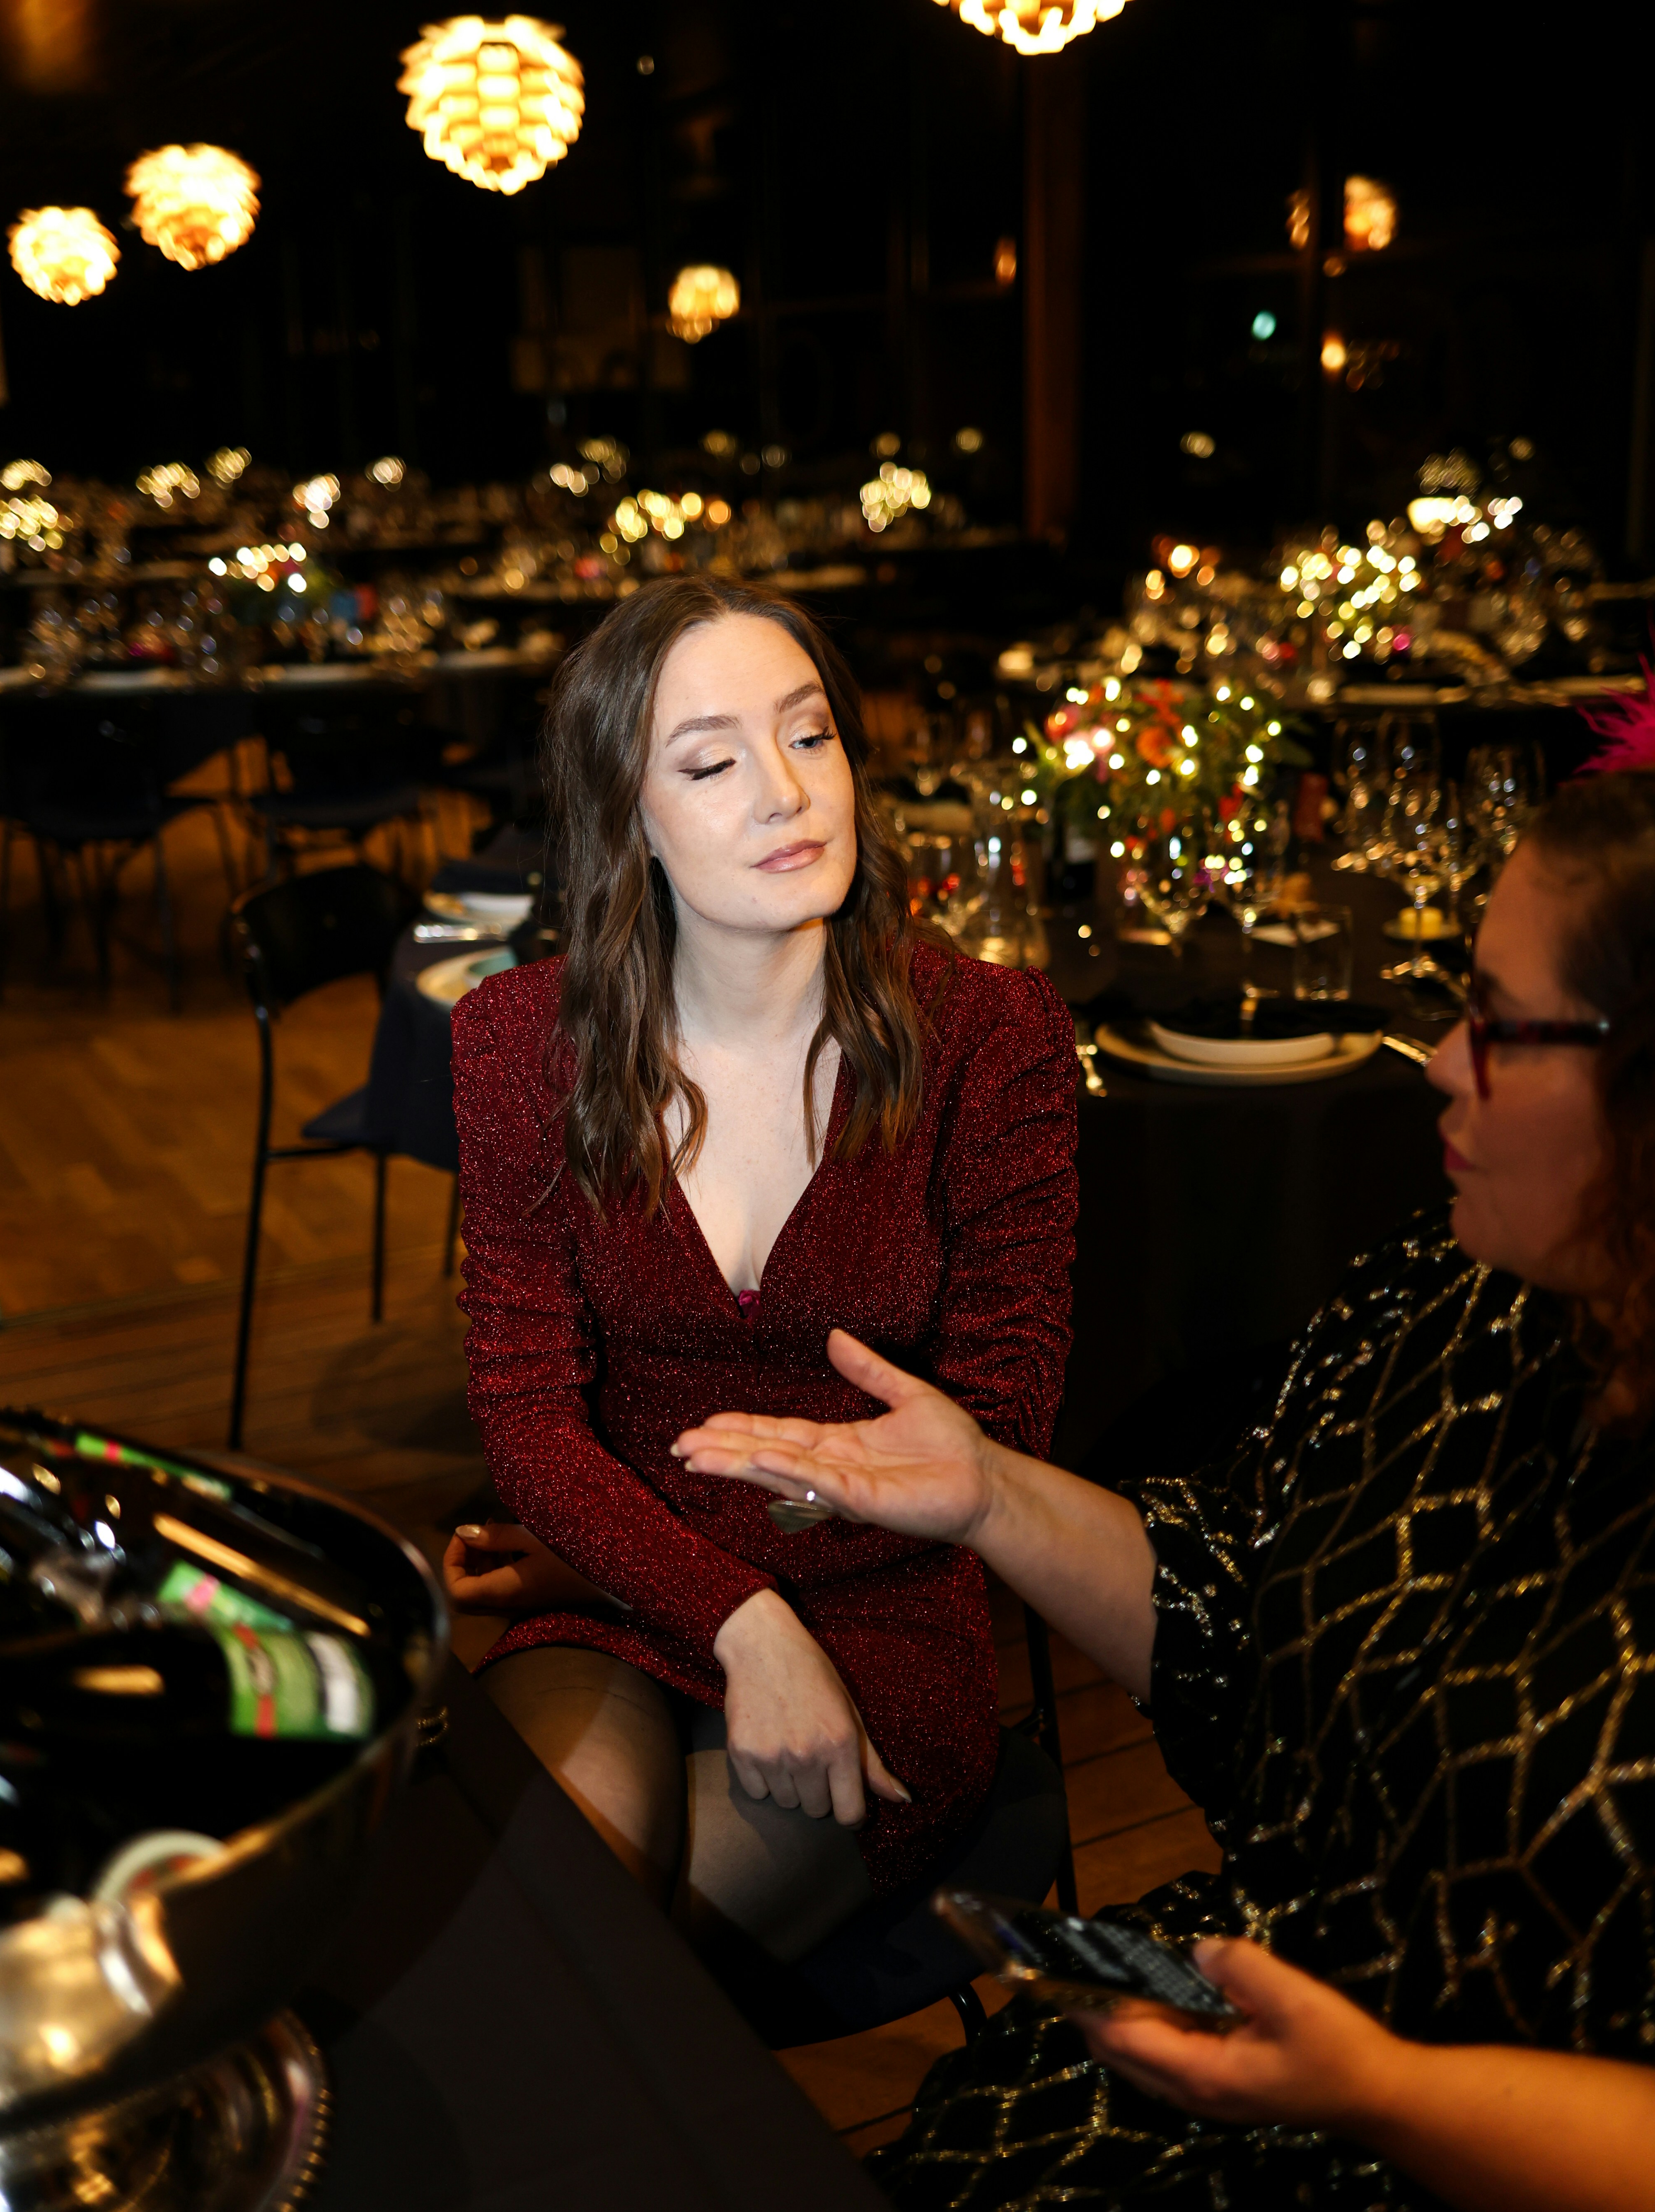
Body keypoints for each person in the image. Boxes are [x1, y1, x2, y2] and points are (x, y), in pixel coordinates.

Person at [675, 770, 1655, 2210]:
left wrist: (1382, 2087)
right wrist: (992, 1493)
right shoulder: (1465, 1300)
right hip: (1279, 2024)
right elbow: (1235, 1613)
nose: (1442, 1059)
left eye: (1500, 1026)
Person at [444, 574, 1078, 1971]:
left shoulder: (992, 1035)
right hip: (619, 1603)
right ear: (631, 819)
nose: (786, 792)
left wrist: (775, 1606)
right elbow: (527, 1416)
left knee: (612, 1981)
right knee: (531, 1935)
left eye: (811, 736)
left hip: (884, 1621)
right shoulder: (516, 1044)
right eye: (713, 761)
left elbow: (995, 1436)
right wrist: (735, 1609)